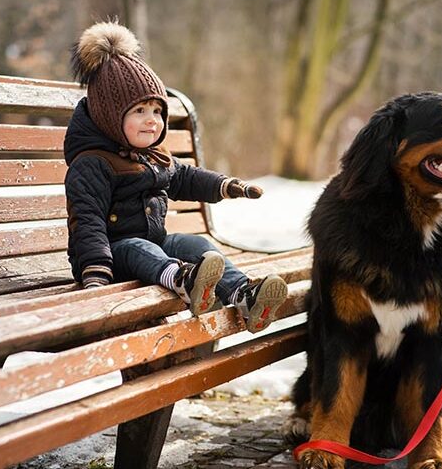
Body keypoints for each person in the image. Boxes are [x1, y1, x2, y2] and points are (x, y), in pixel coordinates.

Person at [64, 21, 288, 333]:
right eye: (139, 111)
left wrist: (227, 186)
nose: (152, 121)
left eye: (157, 111)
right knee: (140, 248)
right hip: (110, 257)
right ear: (110, 116)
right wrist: (94, 273)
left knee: (194, 243)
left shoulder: (152, 156)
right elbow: (87, 221)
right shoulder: (92, 163)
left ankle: (243, 294)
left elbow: (185, 177)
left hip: (154, 245)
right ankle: (183, 280)